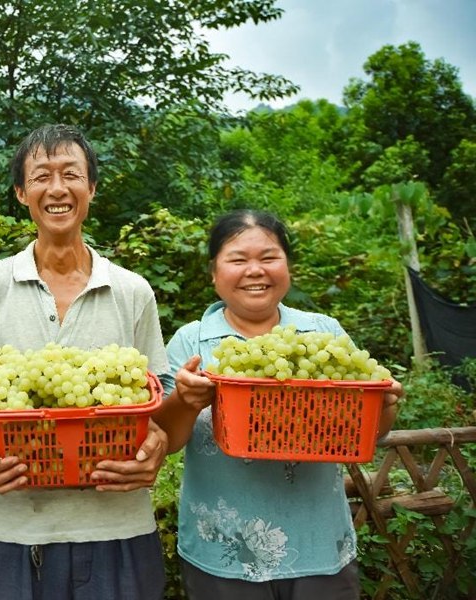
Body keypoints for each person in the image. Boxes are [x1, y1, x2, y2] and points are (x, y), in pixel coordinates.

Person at [0, 123, 170, 600]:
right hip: (13, 527)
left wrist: (155, 441)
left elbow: (155, 398)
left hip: (119, 525)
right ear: (20, 192)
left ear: (91, 188)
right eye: (41, 176)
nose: (57, 188)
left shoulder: (132, 290)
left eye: (71, 174)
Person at [153, 209, 404, 600]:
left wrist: (386, 404)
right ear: (214, 272)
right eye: (238, 260)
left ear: (287, 266)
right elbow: (165, 439)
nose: (255, 270)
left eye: (269, 257)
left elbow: (371, 431)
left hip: (319, 546)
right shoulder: (192, 342)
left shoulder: (323, 334)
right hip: (222, 550)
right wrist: (185, 402)